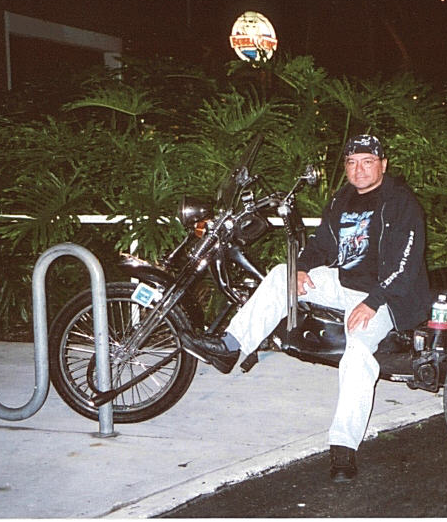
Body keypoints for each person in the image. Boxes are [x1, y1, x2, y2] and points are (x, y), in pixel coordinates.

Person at [180, 134, 430, 483]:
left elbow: (406, 263)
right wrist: (300, 268)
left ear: (382, 165)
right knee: (280, 275)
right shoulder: (342, 199)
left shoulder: (401, 201)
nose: (359, 170)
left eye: (367, 162)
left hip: (387, 295)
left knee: (357, 352)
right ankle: (231, 346)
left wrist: (372, 302)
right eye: (352, 162)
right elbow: (321, 245)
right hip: (344, 283)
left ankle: (343, 446)